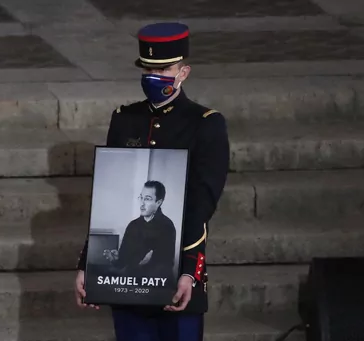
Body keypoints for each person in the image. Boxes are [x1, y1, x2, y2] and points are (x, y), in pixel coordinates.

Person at [74, 22, 230, 341]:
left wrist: (189, 270)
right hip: (128, 285)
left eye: (164, 68)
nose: (154, 76)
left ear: (183, 72)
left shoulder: (205, 125)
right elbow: (107, 194)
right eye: (148, 68)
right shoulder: (124, 118)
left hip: (176, 276)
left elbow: (202, 204)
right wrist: (87, 264)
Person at [103, 180, 177, 280]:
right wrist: (116, 260)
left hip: (155, 286)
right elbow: (123, 261)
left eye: (147, 199)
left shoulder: (167, 226)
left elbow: (166, 266)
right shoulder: (133, 225)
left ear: (158, 202)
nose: (142, 203)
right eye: (141, 198)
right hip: (130, 282)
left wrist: (145, 264)